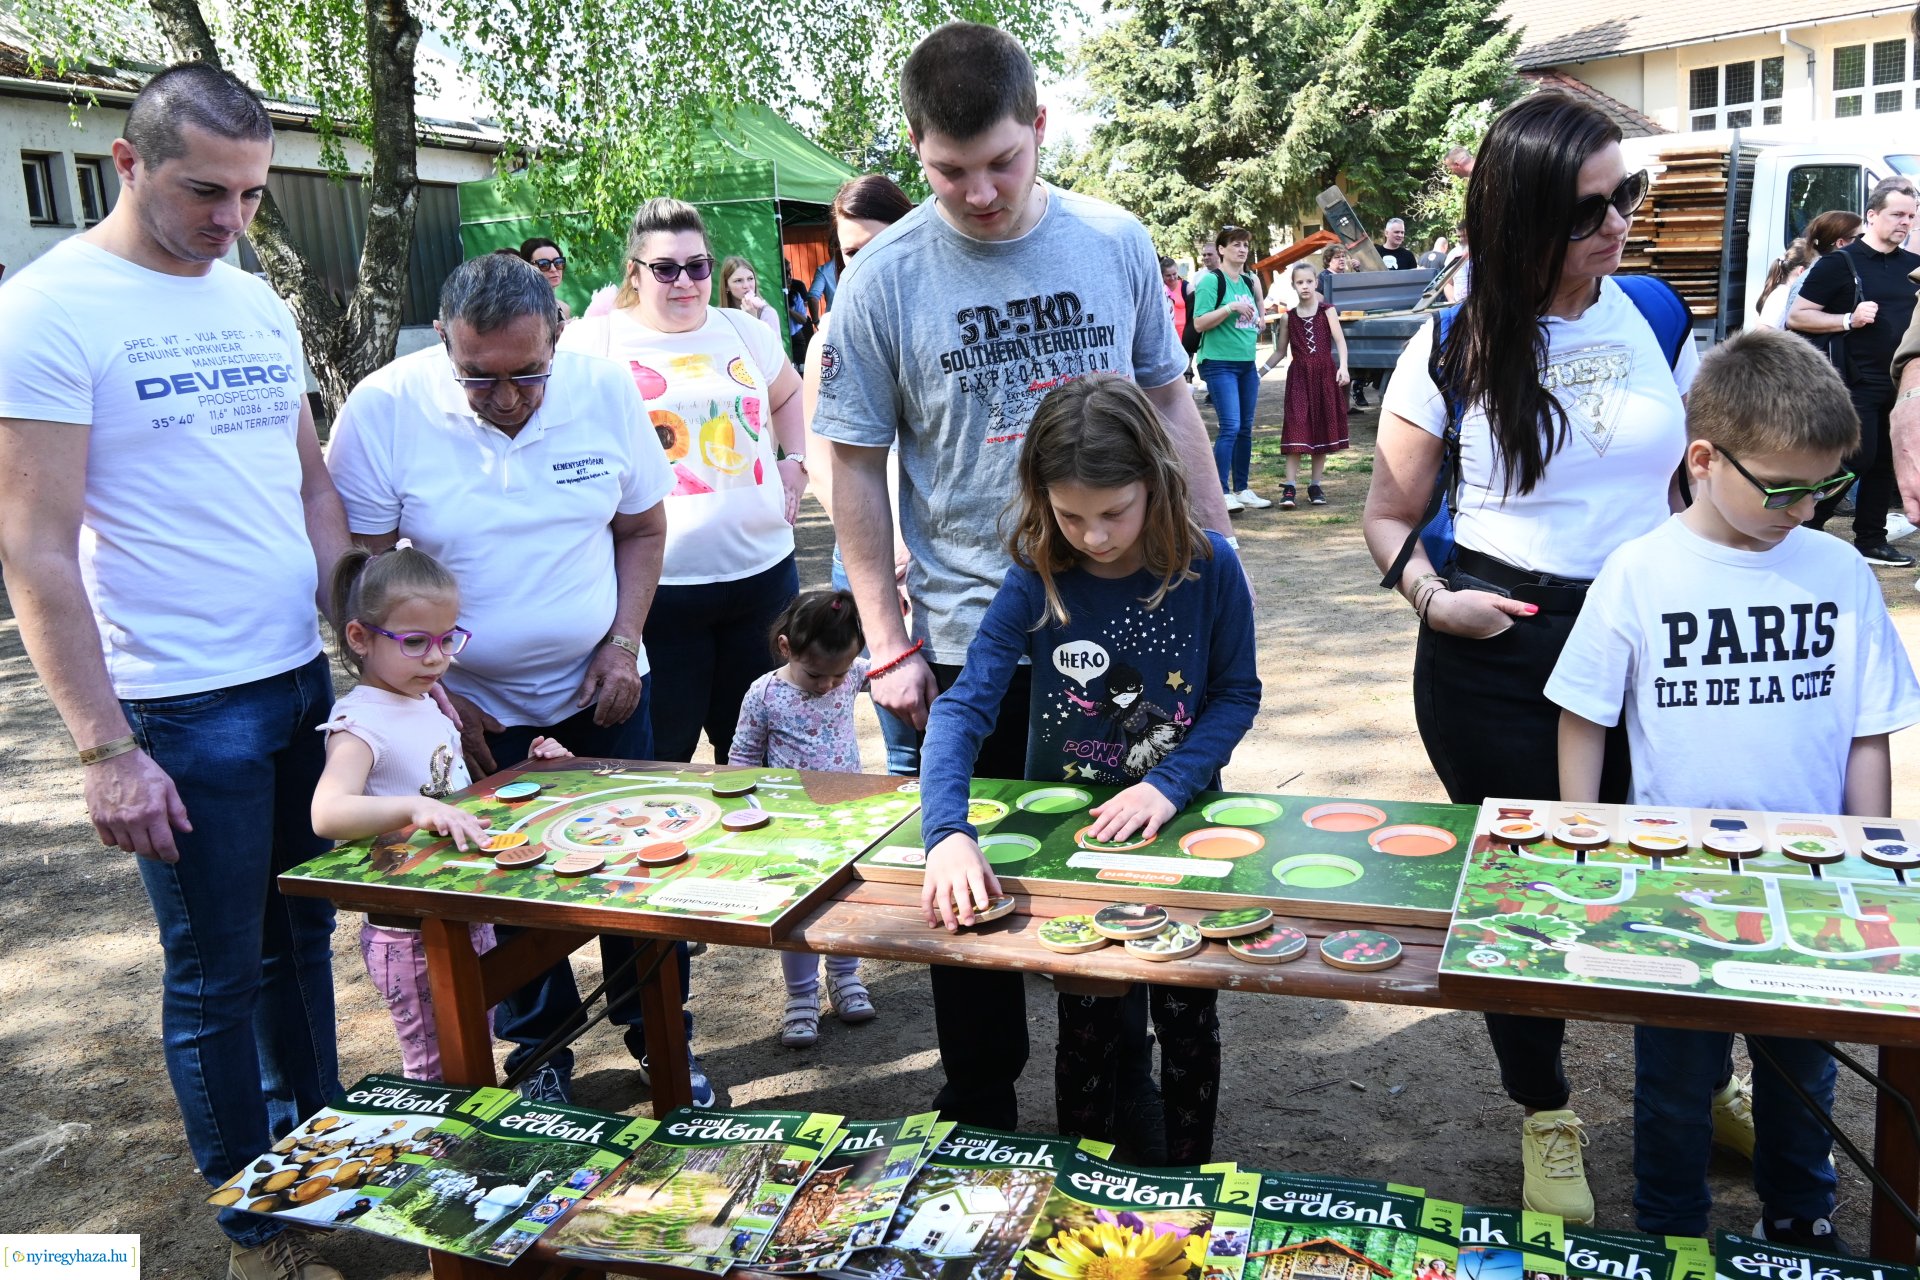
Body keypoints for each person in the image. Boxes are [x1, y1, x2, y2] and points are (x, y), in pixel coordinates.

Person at [813, 20, 1234, 1132]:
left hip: (1134, 625)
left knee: (1122, 877)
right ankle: (982, 1108)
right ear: (916, 153)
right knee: (970, 887)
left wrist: (1213, 553)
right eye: (950, 172)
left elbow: (1168, 396)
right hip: (970, 629)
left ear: (1039, 128)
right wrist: (886, 638)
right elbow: (850, 460)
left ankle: (1117, 1099)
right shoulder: (883, 278)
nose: (982, 192)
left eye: (1002, 161)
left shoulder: (1112, 238)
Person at [0, 62, 352, 1280]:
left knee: (301, 941)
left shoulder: (249, 298)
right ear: (128, 164)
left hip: (297, 682)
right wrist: (104, 748)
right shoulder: (48, 311)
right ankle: (257, 1210)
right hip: (181, 703)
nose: (233, 220)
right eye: (209, 191)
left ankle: (327, 1155)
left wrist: (357, 633)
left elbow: (309, 483)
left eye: (253, 195)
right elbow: (33, 545)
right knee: (217, 972)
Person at [1361, 91, 1703, 1226]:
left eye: (1628, 195)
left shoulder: (1656, 311)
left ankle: (1710, 1079)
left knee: (1676, 865)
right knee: (1524, 890)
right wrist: (1432, 596)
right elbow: (1385, 516)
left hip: (1653, 639)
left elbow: (1684, 478)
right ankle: (1545, 1111)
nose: (1620, 224)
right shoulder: (1452, 344)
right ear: (1516, 222)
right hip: (1502, 646)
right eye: (1588, 211)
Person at [1548, 327, 1920, 1250]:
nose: (1804, 508)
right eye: (1784, 487)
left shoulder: (1837, 572)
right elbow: (1583, 716)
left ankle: (1802, 1219)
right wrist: (1587, 844)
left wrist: (1864, 859)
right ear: (1704, 458)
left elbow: (1867, 730)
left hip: (1809, 886)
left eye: (1824, 487)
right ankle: (1670, 1235)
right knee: (1674, 1080)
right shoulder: (1641, 571)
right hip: (1673, 884)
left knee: (1804, 1071)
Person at [326, 251, 682, 1107]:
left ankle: (661, 1044)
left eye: (528, 372)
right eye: (479, 379)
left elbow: (641, 529)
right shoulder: (384, 409)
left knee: (639, 877)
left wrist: (623, 642)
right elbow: (363, 579)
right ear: (444, 340)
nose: (510, 396)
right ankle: (540, 1062)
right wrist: (436, 695)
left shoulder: (603, 390)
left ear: (558, 335)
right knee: (505, 891)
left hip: (602, 690)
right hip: (462, 707)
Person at [920, 374, 1258, 1163]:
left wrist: (1169, 784)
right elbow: (963, 708)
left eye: (1114, 513)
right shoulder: (1036, 576)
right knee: (1090, 1029)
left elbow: (1237, 693)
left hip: (1181, 837)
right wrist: (946, 833)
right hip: (1074, 848)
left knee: (1185, 1020)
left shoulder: (1214, 569)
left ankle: (1188, 1179)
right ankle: (1085, 1179)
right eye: (1070, 516)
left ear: (1156, 482)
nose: (1095, 537)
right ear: (1040, 498)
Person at [559, 197, 807, 767]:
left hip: (763, 578)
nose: (685, 282)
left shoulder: (744, 331)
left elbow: (788, 392)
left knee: (756, 749)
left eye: (697, 266)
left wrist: (793, 458)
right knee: (662, 749)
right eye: (665, 269)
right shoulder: (593, 345)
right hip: (658, 591)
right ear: (634, 274)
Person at [310, 544, 570, 1080]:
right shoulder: (359, 722)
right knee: (436, 1066)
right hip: (410, 932)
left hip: (462, 911)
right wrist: (413, 807)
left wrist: (532, 770)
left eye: (447, 639)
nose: (436, 658)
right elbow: (327, 814)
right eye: (414, 642)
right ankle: (441, 1157)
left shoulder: (425, 702)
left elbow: (457, 799)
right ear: (359, 637)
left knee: (471, 1045)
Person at [803, 174, 921, 776]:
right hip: (872, 555)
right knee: (904, 738)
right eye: (851, 253)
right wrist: (888, 544)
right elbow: (821, 459)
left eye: (879, 243)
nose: (865, 263)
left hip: (942, 556)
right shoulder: (830, 338)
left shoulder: (935, 320)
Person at [728, 589, 879, 1047]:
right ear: (786, 648)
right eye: (816, 674)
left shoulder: (850, 675)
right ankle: (800, 996)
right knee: (796, 909)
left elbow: (892, 671)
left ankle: (845, 976)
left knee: (842, 904)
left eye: (839, 675)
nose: (829, 685)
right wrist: (747, 816)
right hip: (789, 826)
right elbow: (742, 760)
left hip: (846, 817)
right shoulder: (765, 694)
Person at [1789, 178, 1920, 568]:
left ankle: (1871, 539)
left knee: (1884, 463)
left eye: (1912, 216)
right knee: (1857, 458)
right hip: (1854, 382)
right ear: (1872, 215)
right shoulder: (1840, 262)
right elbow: (1798, 315)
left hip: (1898, 384)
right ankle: (1808, 526)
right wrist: (1848, 319)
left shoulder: (1914, 268)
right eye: (1897, 214)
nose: (1905, 223)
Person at [1193, 225, 1273, 512]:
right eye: (1236, 244)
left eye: (1245, 245)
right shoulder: (1212, 281)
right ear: (1222, 250)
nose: (1242, 249)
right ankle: (1221, 492)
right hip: (1218, 363)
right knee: (1230, 426)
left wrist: (1260, 320)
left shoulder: (1250, 280)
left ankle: (1242, 489)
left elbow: (1258, 309)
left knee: (1245, 429)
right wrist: (1230, 309)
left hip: (1246, 364)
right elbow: (1199, 323)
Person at [1262, 262, 1350, 508]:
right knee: (1296, 425)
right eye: (1300, 282)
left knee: (1320, 426)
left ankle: (1315, 485)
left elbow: (1340, 342)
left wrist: (1343, 366)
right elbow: (1280, 352)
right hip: (1299, 377)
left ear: (1316, 282)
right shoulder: (1288, 317)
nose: (1305, 286)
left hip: (1324, 375)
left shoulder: (1327, 311)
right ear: (1293, 286)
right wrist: (1258, 372)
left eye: (1309, 281)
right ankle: (1289, 486)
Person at [718, 255, 785, 338]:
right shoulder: (718, 316)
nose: (746, 285)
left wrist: (752, 319)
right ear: (726, 286)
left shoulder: (767, 313)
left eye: (750, 279)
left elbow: (772, 350)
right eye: (738, 280)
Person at [1754, 239, 1815, 329]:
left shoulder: (1787, 294)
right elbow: (1762, 333)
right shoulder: (1781, 295)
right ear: (1801, 271)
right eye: (1813, 271)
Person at [521, 237, 572, 322]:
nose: (553, 269)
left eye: (558, 262)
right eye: (544, 264)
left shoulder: (564, 308)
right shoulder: (519, 310)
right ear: (527, 268)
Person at [1162, 255, 1193, 382]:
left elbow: (1194, 314)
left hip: (1185, 339)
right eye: (1168, 275)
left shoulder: (1186, 287)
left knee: (1186, 373)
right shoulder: (1159, 289)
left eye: (1174, 274)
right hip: (1167, 340)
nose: (1173, 278)